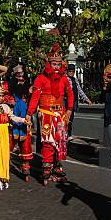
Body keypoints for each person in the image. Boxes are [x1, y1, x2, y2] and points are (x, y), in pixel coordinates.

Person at [26, 44, 74, 185]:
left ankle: (57, 166)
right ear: (49, 63)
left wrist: (70, 109)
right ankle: (47, 167)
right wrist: (29, 113)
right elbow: (35, 96)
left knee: (60, 141)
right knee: (47, 141)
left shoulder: (64, 79)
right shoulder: (40, 78)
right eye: (54, 64)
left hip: (61, 114)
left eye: (59, 64)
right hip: (46, 113)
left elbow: (70, 94)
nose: (56, 67)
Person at [0, 85, 27, 189]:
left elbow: (12, 117)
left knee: (4, 156)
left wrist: (22, 120)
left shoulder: (6, 107)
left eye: (3, 96)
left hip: (4, 134)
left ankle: (1, 177)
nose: (2, 98)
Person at [7, 62, 34, 181]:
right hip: (12, 117)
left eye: (22, 74)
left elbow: (34, 99)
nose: (20, 77)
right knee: (10, 142)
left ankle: (25, 166)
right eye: (17, 75)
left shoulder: (30, 87)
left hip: (26, 117)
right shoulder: (8, 86)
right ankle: (4, 164)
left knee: (26, 143)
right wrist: (10, 101)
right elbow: (2, 96)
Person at [66, 64, 92, 138]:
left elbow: (79, 90)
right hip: (67, 101)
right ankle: (65, 134)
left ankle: (69, 134)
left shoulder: (75, 79)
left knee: (71, 118)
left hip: (74, 101)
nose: (71, 72)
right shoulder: (65, 79)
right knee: (66, 118)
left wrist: (86, 99)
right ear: (67, 71)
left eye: (72, 71)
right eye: (69, 71)